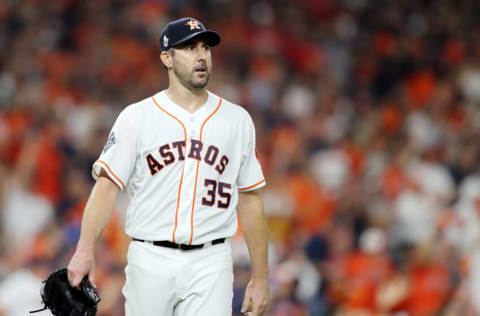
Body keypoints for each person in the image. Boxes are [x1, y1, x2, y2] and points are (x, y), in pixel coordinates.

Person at [66, 17, 270, 316]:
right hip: (150, 257)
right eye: (188, 48)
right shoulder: (137, 117)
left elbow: (250, 199)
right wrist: (84, 250)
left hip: (212, 261)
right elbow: (106, 188)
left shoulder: (237, 120)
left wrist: (261, 277)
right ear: (167, 58)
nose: (201, 55)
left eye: (205, 47)